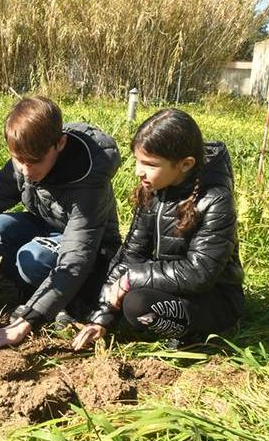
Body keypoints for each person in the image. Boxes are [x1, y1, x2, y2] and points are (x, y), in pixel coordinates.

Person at [0, 96, 121, 353]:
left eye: (34, 161)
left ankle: (72, 303)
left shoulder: (88, 181)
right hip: (48, 229)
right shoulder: (26, 158)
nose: (26, 170)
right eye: (18, 159)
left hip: (92, 254)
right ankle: (34, 291)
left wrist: (26, 321)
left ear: (60, 144)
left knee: (33, 257)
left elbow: (76, 259)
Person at [72, 108, 244, 351]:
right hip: (167, 285)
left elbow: (199, 273)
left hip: (213, 300)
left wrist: (132, 278)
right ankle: (137, 318)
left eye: (150, 164)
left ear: (185, 164)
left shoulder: (215, 200)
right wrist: (102, 316)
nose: (138, 171)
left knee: (137, 306)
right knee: (98, 280)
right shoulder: (153, 190)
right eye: (137, 161)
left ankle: (196, 334)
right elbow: (131, 254)